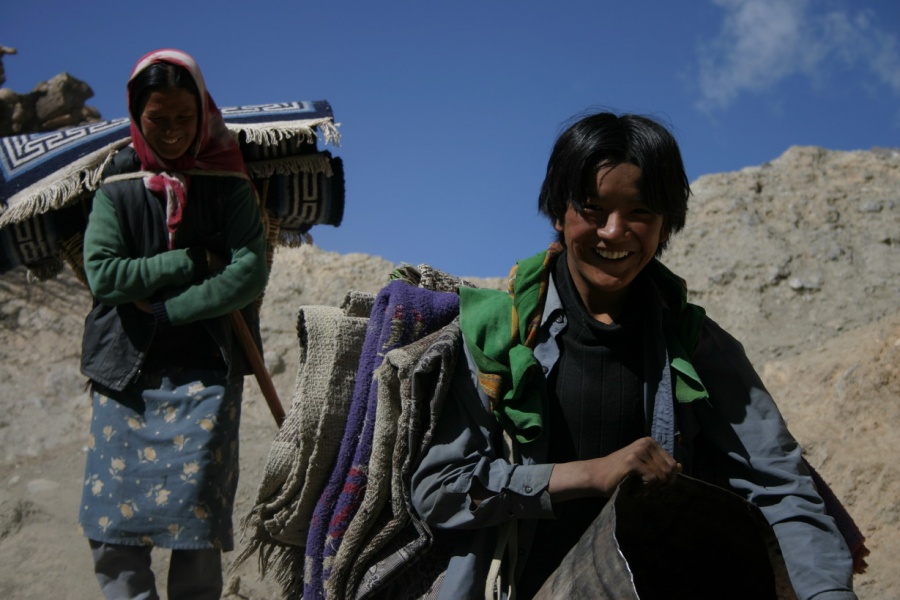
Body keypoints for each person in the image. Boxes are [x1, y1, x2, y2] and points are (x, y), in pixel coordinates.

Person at [410, 112, 857, 599]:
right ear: (559, 212)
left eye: (640, 212)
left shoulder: (693, 343)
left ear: (666, 224)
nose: (614, 231)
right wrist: (591, 474)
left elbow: (782, 486)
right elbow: (440, 490)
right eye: (593, 208)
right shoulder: (497, 335)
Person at [78, 48, 268, 600]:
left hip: (207, 375)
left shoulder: (228, 183)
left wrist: (168, 308)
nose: (172, 131)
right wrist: (188, 262)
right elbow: (104, 276)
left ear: (203, 112)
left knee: (196, 527)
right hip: (124, 375)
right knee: (112, 530)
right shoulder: (116, 185)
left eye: (184, 117)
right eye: (156, 119)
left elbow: (248, 273)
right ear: (136, 115)